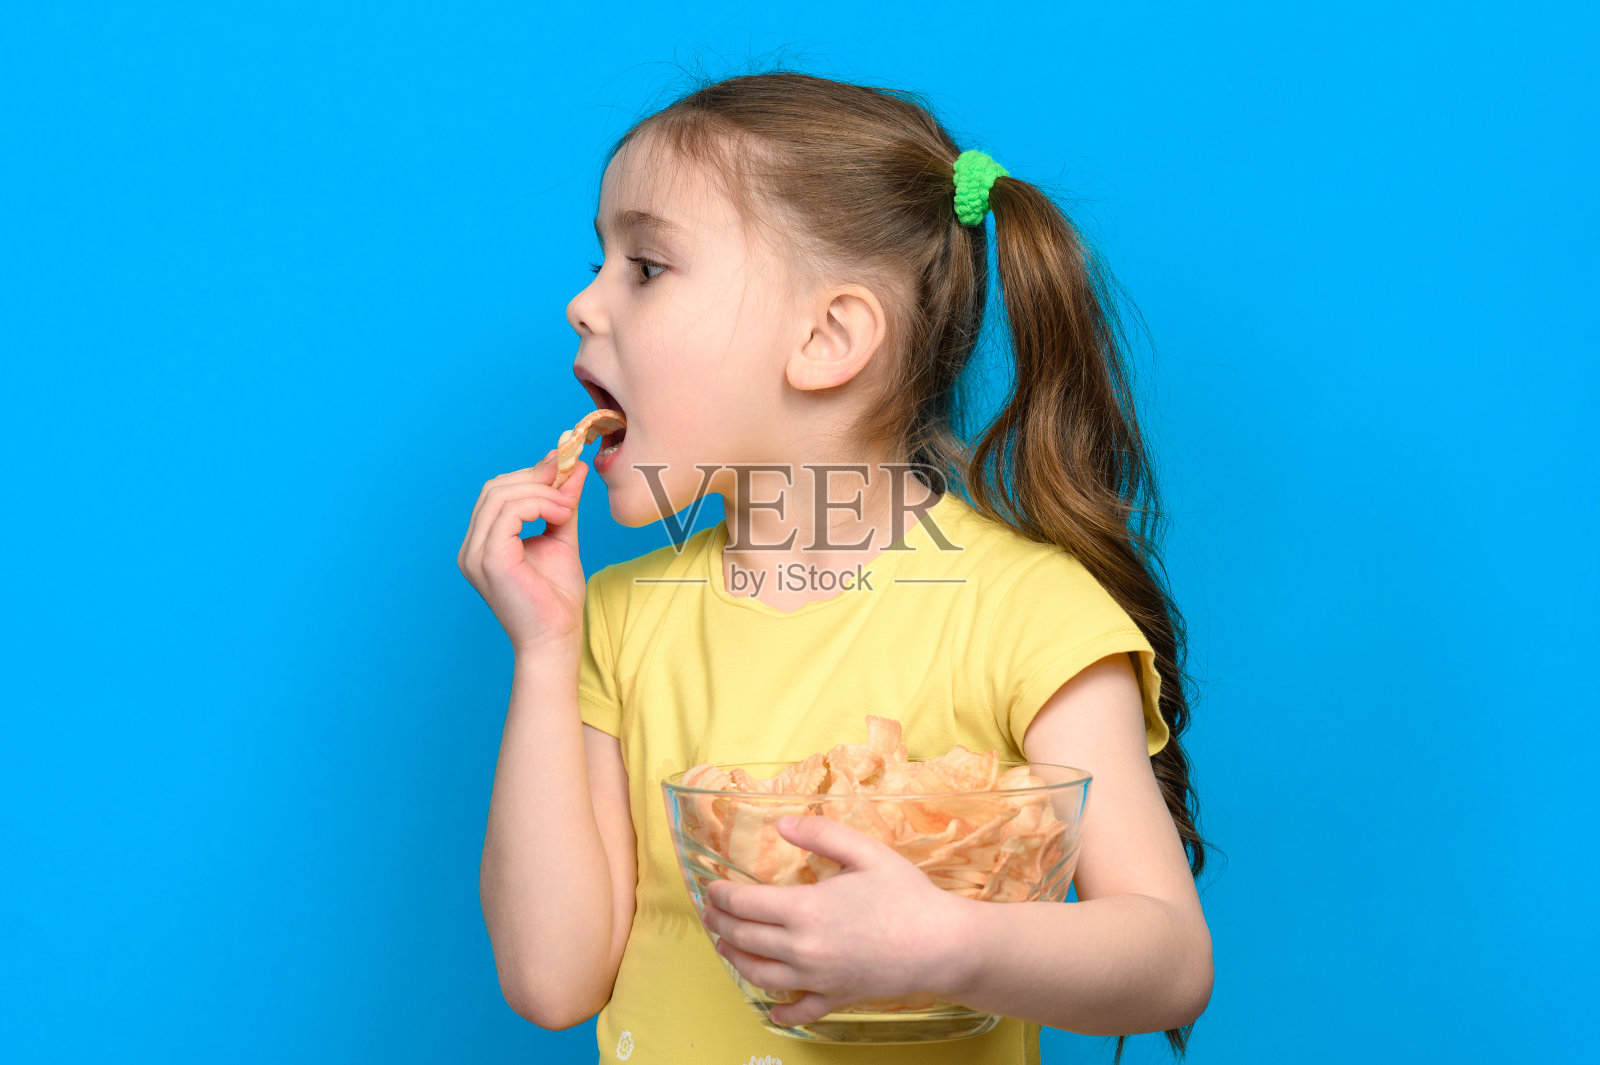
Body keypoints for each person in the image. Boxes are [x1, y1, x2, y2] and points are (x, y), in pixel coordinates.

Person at [459, 70, 1214, 1065]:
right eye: (598, 259)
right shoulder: (617, 618)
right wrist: (546, 650)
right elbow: (551, 980)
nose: (581, 304)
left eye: (644, 266)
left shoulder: (1023, 614)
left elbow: (1169, 959)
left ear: (826, 338)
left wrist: (953, 946)